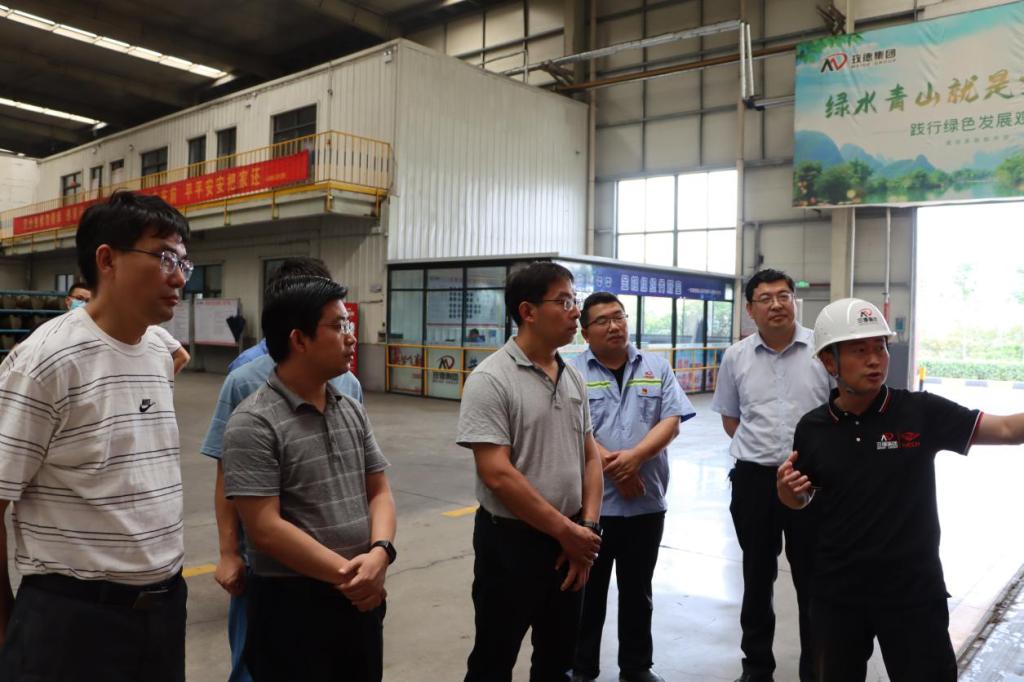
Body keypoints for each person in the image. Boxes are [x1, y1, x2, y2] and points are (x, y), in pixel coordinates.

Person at [778, 298, 1024, 682]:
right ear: (829, 361)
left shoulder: (920, 412)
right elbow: (803, 498)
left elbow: (1007, 430)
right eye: (860, 351)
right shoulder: (812, 428)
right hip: (837, 592)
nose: (875, 360)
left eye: (880, 347)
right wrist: (788, 493)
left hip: (912, 590)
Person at [0, 190, 191, 681]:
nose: (178, 277)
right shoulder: (47, 363)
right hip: (73, 620)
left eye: (183, 262)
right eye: (164, 257)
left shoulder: (157, 348)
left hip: (163, 610)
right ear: (107, 260)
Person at [223, 275, 395, 682]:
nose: (351, 337)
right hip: (293, 606)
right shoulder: (253, 421)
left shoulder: (350, 408)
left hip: (359, 596)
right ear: (298, 339)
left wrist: (381, 553)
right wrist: (353, 577)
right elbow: (265, 529)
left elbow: (379, 491)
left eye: (348, 324)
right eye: (338, 326)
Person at [201, 257, 363, 682]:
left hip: (338, 563)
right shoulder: (245, 379)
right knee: (255, 660)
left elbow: (359, 471)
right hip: (269, 564)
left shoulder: (347, 382)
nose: (347, 333)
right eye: (335, 322)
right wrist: (229, 552)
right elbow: (227, 473)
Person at [457, 261, 604, 682]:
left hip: (570, 540)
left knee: (558, 659)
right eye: (564, 301)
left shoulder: (572, 377)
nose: (576, 312)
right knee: (493, 659)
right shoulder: (491, 379)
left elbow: (590, 457)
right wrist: (567, 532)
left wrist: (586, 529)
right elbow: (497, 474)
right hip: (511, 544)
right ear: (528, 311)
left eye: (575, 300)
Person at [711, 268, 831, 682]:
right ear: (750, 309)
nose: (776, 304)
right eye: (765, 298)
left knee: (814, 581)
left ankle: (815, 670)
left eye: (784, 296)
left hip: (812, 481)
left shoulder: (823, 349)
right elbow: (731, 418)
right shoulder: (736, 356)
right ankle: (757, 667)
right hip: (754, 483)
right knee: (756, 577)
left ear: (795, 301)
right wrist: (762, 450)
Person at [570, 292, 696, 682]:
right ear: (585, 332)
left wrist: (635, 459)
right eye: (603, 320)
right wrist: (618, 470)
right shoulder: (571, 372)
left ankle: (637, 667)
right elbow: (573, 430)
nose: (614, 326)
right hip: (592, 507)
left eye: (619, 317)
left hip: (646, 502)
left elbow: (671, 421)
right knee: (587, 592)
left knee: (638, 591)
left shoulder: (656, 367)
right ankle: (582, 668)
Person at [64, 281, 190, 374]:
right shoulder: (106, 329)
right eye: (80, 299)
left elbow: (183, 356)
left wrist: (164, 381)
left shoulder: (153, 330)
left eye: (88, 300)